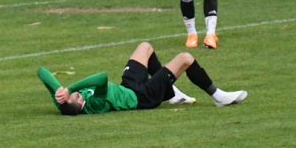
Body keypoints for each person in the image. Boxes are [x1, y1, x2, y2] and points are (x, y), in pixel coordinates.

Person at [38, 42, 247, 116]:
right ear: (81, 102)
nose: (74, 92)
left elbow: (41, 72)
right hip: (143, 97)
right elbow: (101, 78)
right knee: (185, 58)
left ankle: (173, 93)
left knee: (145, 47)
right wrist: (71, 87)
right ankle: (219, 96)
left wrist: (58, 91)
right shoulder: (96, 103)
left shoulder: (64, 103)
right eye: (75, 94)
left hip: (128, 87)